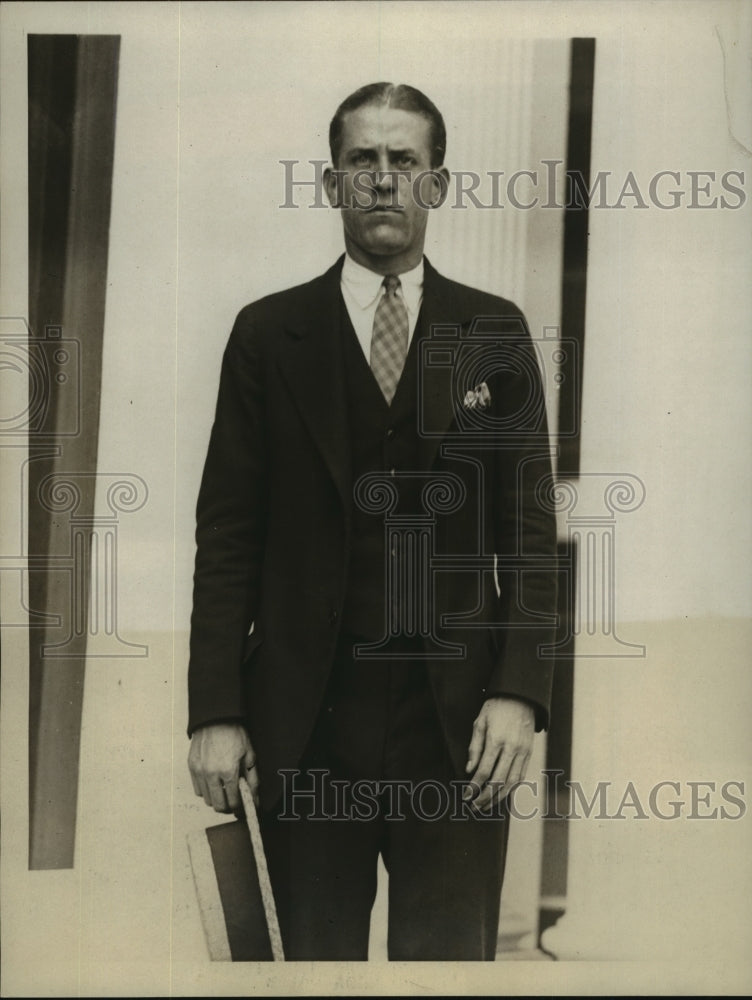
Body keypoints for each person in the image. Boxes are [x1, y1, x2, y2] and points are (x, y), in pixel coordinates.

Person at [187, 82, 558, 961]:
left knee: (448, 978)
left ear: (438, 183)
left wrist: (519, 694)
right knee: (305, 975)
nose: (384, 179)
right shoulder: (268, 335)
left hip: (457, 729)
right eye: (363, 160)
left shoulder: (495, 333)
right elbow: (227, 535)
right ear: (331, 183)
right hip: (304, 727)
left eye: (404, 160)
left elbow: (530, 536)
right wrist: (216, 710)